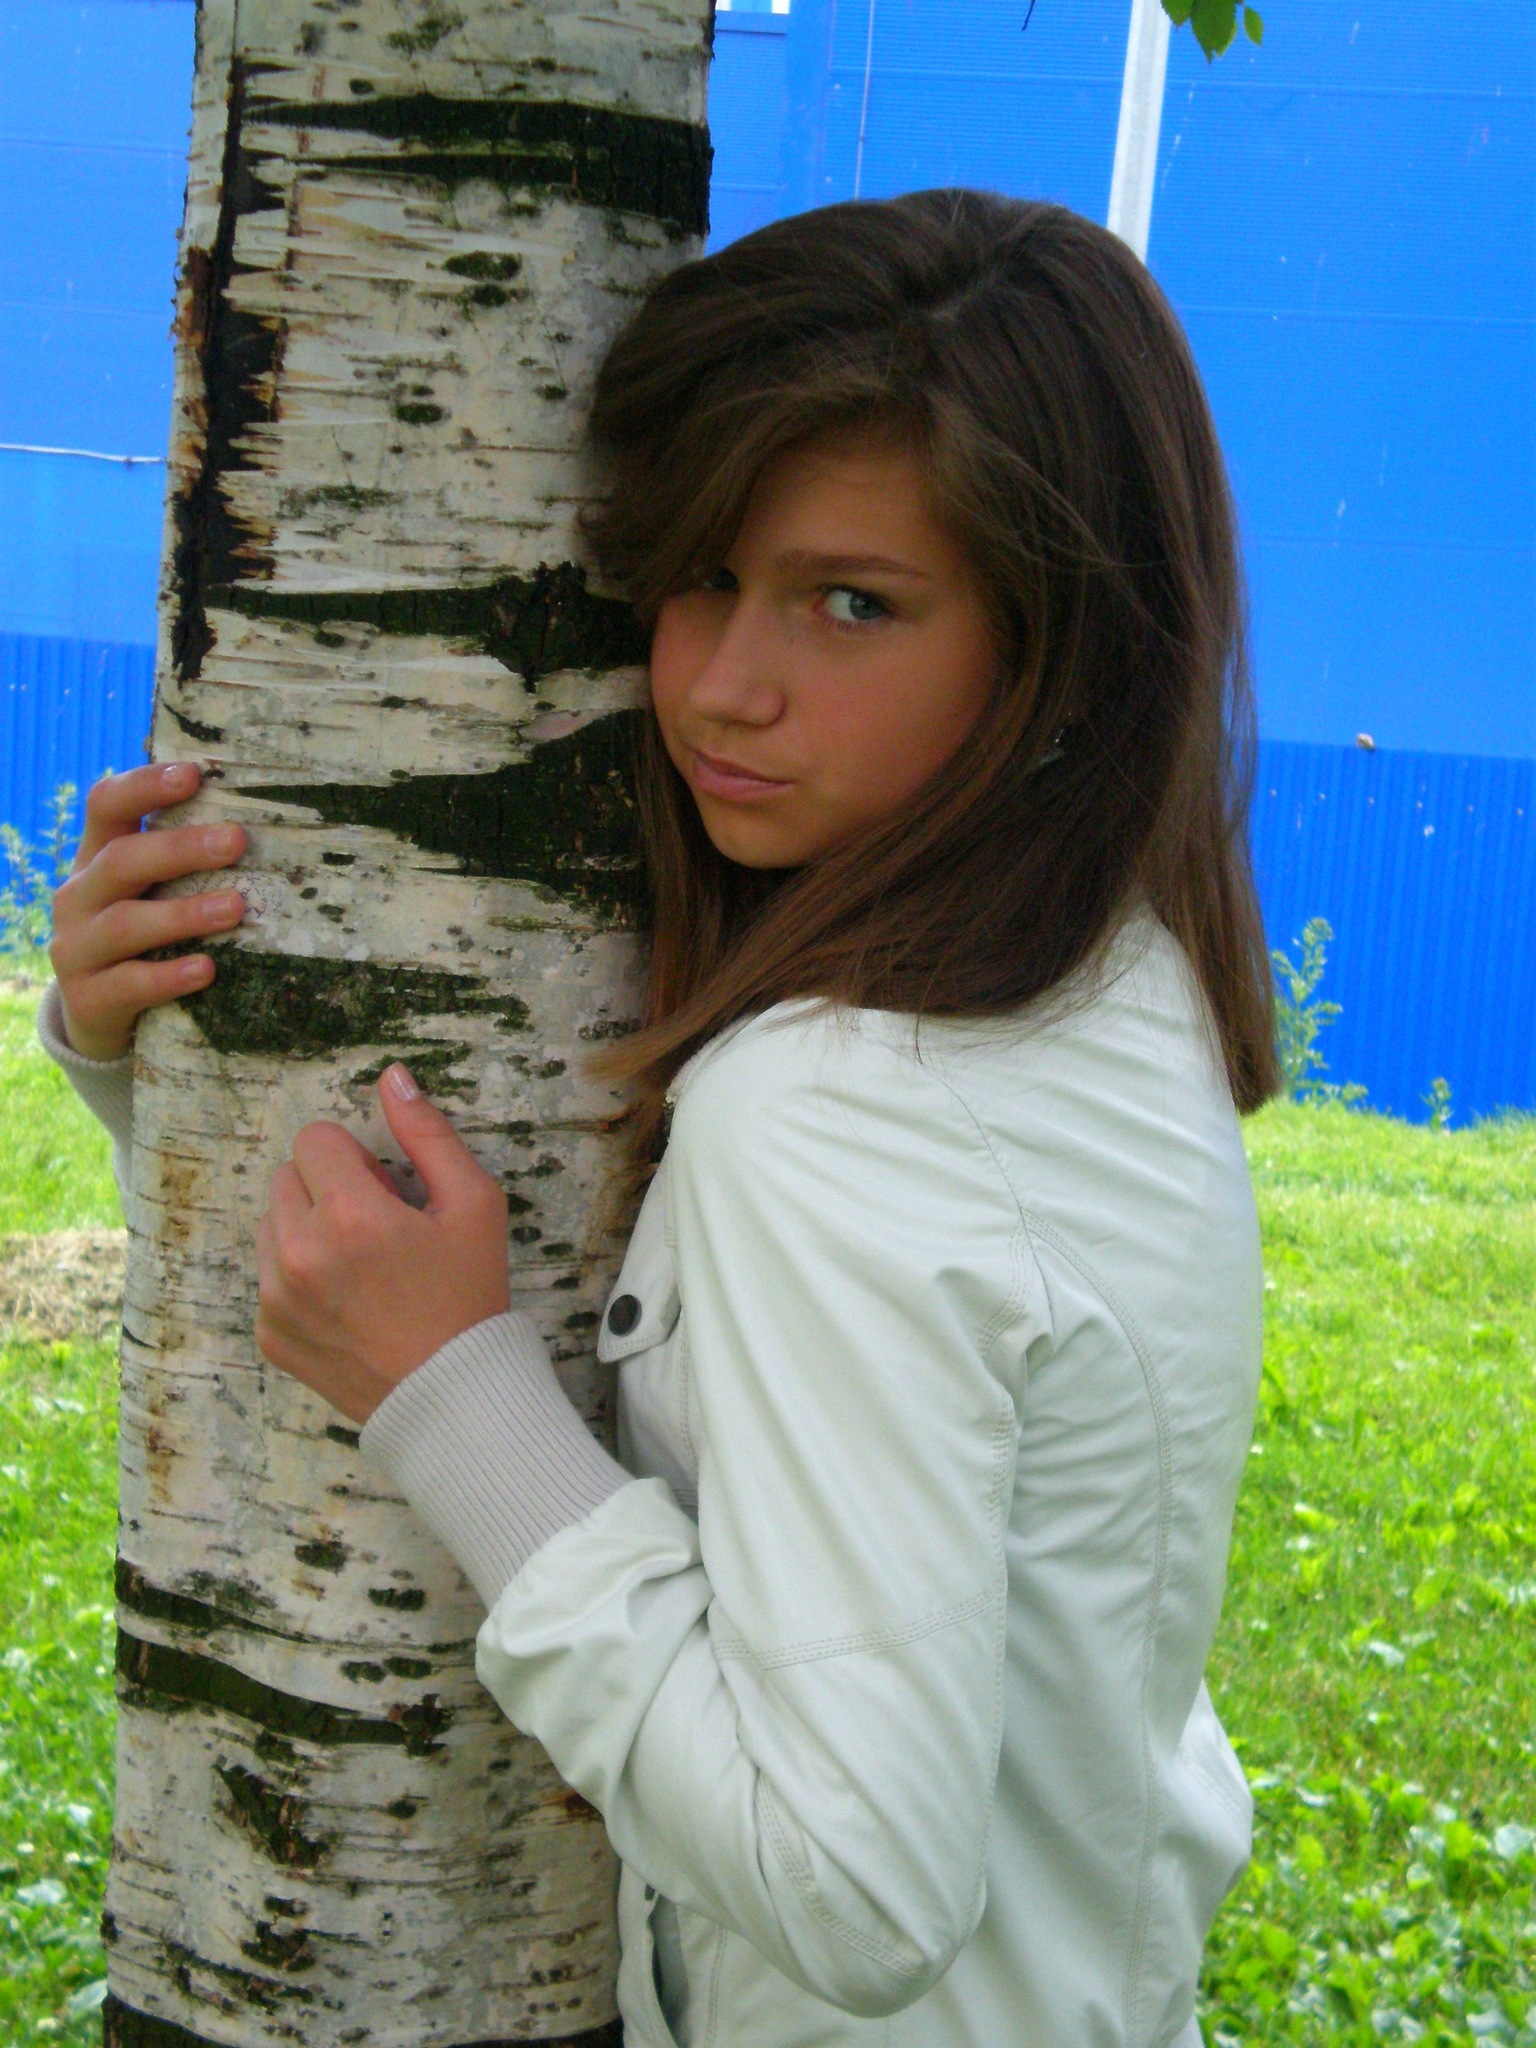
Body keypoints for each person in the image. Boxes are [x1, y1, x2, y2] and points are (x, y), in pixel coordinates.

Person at [41, 190, 1277, 2048]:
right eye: (701, 576)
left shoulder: (840, 1104)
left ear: (1060, 645)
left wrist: (455, 1399)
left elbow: (857, 1889)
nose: (721, 686)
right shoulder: (1112, 984)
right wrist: (143, 1057)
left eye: (853, 604)